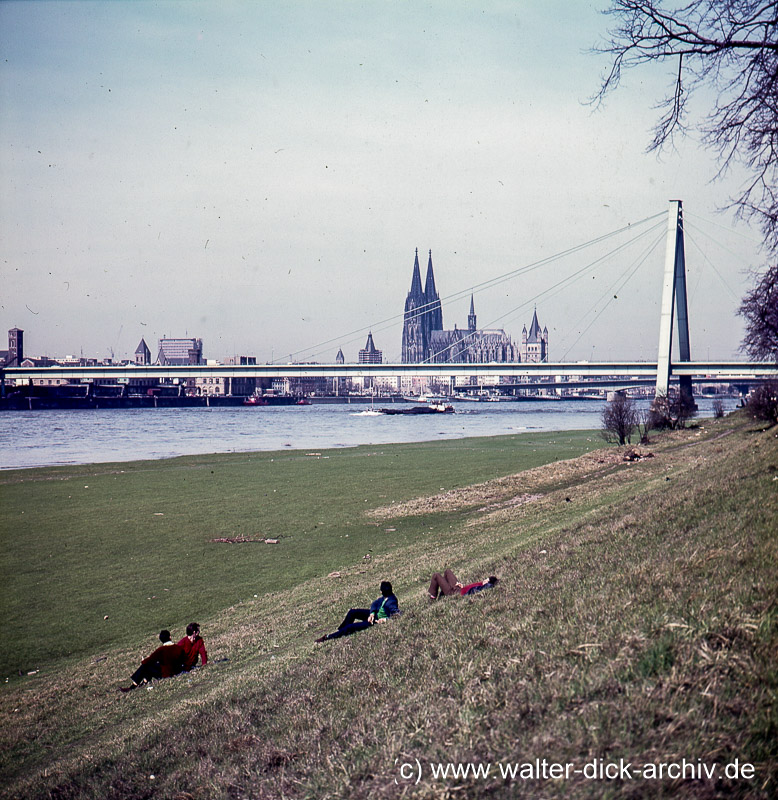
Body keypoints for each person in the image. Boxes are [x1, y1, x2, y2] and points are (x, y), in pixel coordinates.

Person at [315, 581, 399, 643]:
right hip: (374, 616)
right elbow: (375, 603)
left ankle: (328, 637)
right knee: (353, 612)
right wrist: (372, 613)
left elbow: (397, 615)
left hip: (376, 621)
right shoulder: (384, 597)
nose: (380, 592)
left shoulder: (391, 602)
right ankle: (341, 631)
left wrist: (384, 620)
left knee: (351, 627)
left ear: (384, 592)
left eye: (381, 590)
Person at [119, 630, 186, 692]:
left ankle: (133, 685)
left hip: (166, 674)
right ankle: (145, 681)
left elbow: (149, 660)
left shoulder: (161, 650)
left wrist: (143, 661)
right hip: (177, 671)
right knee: (153, 665)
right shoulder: (178, 648)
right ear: (170, 637)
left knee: (145, 666)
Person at [428, 569, 499, 600]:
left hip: (454, 593)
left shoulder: (481, 587)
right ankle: (443, 593)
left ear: (488, 582)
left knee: (436, 575)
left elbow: (471, 591)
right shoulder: (479, 584)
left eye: (486, 580)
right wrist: (462, 586)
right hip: (459, 588)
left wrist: (489, 584)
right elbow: (468, 589)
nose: (484, 580)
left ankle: (433, 597)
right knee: (447, 571)